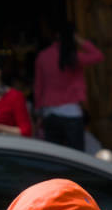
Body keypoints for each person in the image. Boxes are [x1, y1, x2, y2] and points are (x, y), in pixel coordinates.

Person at [34, 22, 104, 150]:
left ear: (56, 36)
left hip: (50, 113)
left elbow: (39, 86)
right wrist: (79, 40)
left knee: (54, 155)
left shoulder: (43, 56)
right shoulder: (73, 56)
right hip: (72, 113)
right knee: (77, 156)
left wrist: (38, 112)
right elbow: (98, 55)